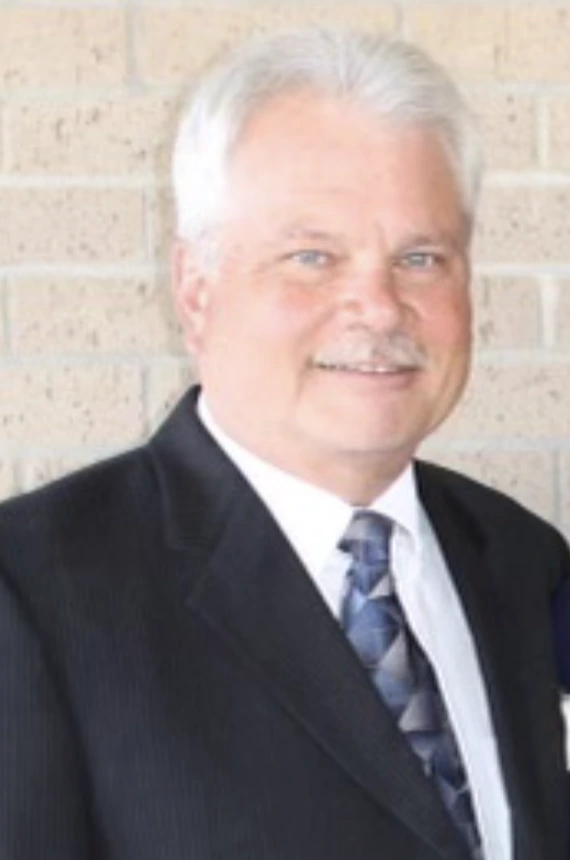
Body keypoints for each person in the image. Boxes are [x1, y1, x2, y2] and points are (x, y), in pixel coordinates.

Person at [0, 27, 567, 860]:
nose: (377, 308)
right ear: (196, 291)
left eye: (420, 257)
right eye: (312, 257)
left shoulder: (526, 562)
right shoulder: (33, 595)